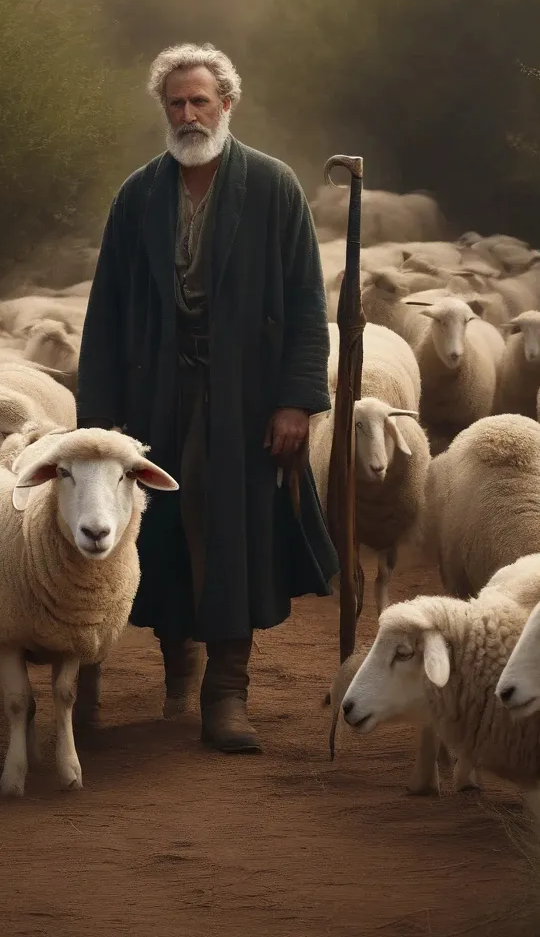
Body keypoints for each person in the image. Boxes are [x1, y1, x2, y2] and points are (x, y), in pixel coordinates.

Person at [74, 42, 338, 753]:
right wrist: (98, 417)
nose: (189, 115)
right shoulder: (138, 196)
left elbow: (307, 305)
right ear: (164, 111)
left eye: (200, 101)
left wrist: (295, 401)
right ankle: (176, 663)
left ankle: (227, 691)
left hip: (246, 399)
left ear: (228, 104)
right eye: (176, 104)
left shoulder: (274, 188)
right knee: (158, 535)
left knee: (232, 533)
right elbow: (107, 310)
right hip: (155, 390)